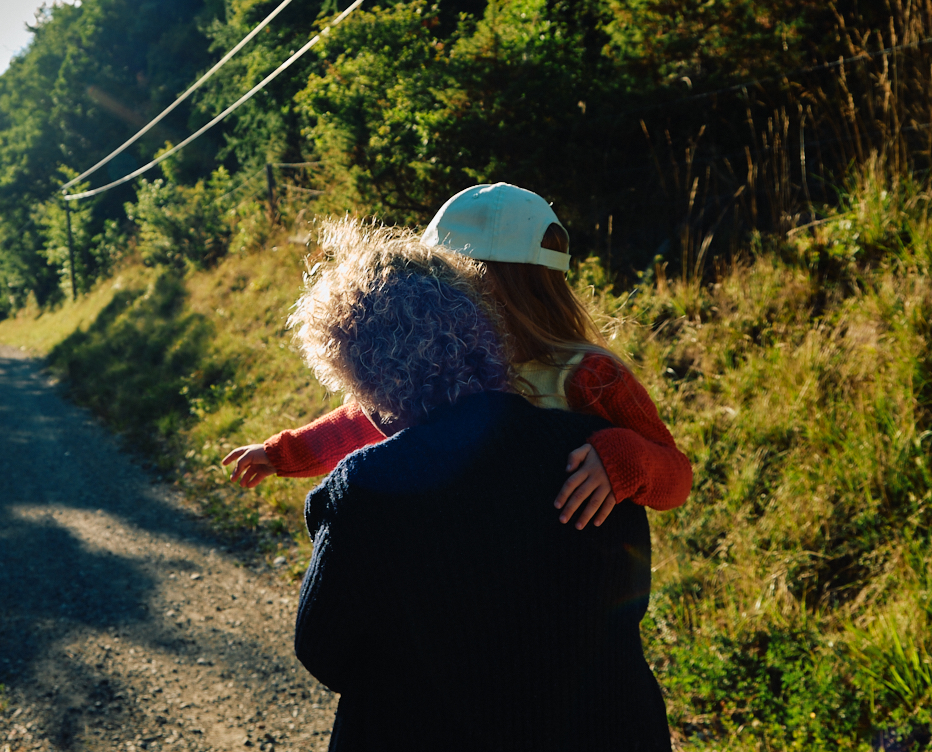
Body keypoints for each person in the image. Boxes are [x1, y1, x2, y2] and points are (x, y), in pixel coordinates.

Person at [287, 219, 670, 751]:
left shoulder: (363, 490)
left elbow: (322, 651)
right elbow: (628, 601)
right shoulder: (596, 454)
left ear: (365, 381)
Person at [224, 182, 691, 530]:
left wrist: (625, 459)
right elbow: (361, 421)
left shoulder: (588, 375)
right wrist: (282, 454)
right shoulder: (443, 363)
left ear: (505, 286)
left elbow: (676, 476)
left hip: (567, 583)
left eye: (450, 280)